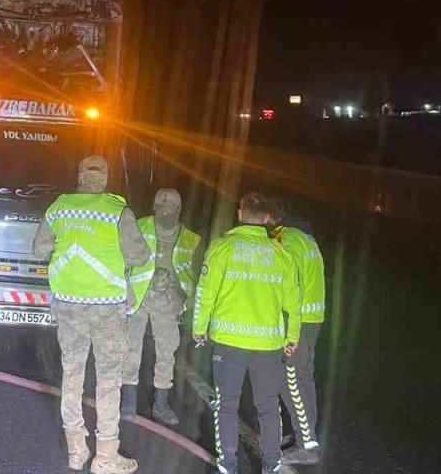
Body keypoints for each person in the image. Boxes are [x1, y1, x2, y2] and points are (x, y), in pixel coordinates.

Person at [33, 156, 150, 474]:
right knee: (108, 381)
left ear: (80, 176)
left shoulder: (59, 207)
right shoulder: (117, 211)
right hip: (107, 308)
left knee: (72, 376)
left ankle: (75, 450)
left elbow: (39, 250)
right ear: (106, 178)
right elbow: (140, 255)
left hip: (69, 304)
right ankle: (106, 457)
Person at [192, 192, 301, 474]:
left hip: (229, 343)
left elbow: (206, 294)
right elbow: (294, 303)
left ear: (240, 214)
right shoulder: (282, 255)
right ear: (267, 219)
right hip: (268, 345)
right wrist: (293, 337)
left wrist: (199, 328)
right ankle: (272, 464)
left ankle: (227, 466)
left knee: (226, 406)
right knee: (267, 406)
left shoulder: (222, 249)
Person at [122, 188, 201, 428]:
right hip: (139, 298)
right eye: (160, 208)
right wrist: (126, 290)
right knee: (130, 348)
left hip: (169, 302)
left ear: (179, 210)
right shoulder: (140, 226)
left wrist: (188, 302)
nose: (164, 212)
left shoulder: (191, 239)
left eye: (169, 209)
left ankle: (161, 404)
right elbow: (123, 259)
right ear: (154, 208)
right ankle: (128, 402)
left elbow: (196, 275)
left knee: (166, 352)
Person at [269, 198, 326, 465]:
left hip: (298, 320)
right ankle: (303, 434)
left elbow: (287, 283)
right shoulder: (306, 237)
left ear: (270, 217)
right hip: (312, 317)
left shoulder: (286, 240)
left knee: (289, 380)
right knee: (302, 378)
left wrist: (284, 325)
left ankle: (307, 444)